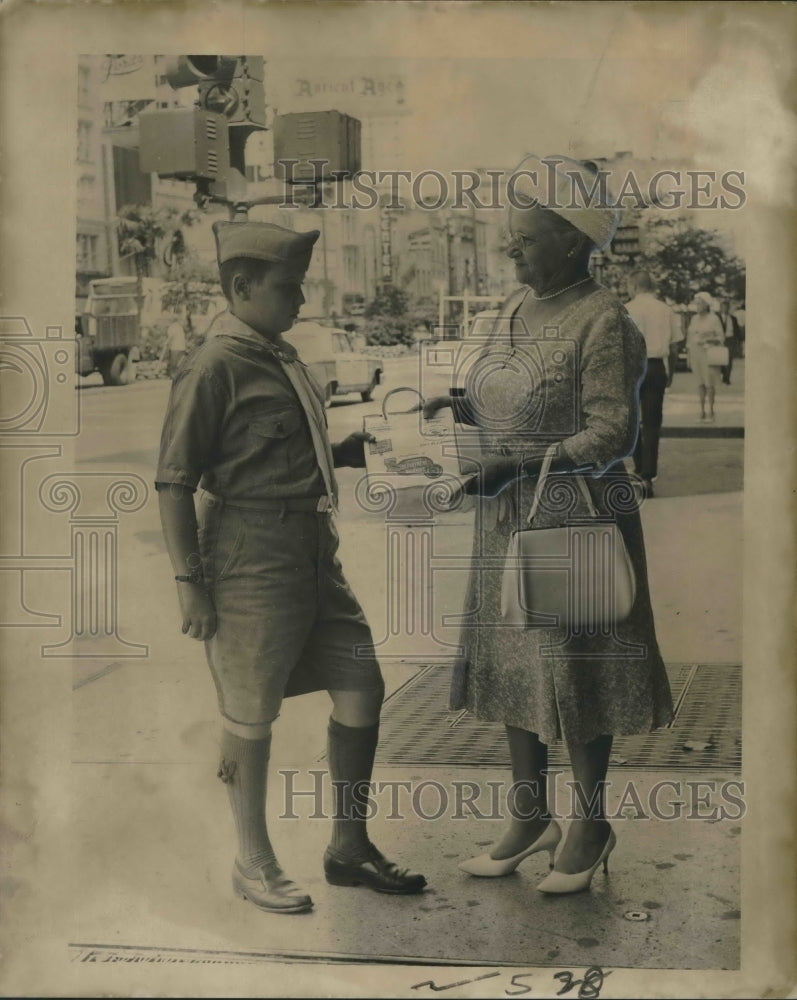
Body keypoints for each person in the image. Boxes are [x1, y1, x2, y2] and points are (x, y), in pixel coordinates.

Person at [155, 220, 426, 916]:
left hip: (312, 552)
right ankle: (253, 860)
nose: (301, 299)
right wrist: (190, 583)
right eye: (288, 287)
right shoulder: (216, 363)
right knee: (251, 714)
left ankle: (348, 846)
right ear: (242, 288)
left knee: (361, 683)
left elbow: (275, 449)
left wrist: (349, 451)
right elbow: (174, 481)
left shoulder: (278, 355)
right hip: (249, 557)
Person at [423, 156, 673, 895]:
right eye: (511, 238)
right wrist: (457, 408)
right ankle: (529, 814)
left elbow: (611, 433)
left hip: (574, 516)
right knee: (513, 666)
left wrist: (526, 465)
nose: (511, 250)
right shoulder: (508, 311)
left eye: (525, 239)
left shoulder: (605, 322)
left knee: (575, 672)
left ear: (570, 240)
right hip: (505, 516)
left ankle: (589, 821)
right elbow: (502, 396)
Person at [624, 269, 683, 497]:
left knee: (632, 421)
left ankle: (639, 467)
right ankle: (649, 474)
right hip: (657, 366)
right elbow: (676, 346)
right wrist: (672, 372)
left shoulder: (628, 309)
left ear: (635, 286)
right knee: (652, 423)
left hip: (634, 368)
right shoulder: (666, 310)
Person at [687, 291, 726, 421]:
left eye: (700, 303)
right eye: (696, 303)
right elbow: (690, 338)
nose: (697, 306)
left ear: (706, 304)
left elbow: (721, 337)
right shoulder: (694, 319)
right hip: (696, 353)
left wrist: (708, 339)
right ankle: (702, 411)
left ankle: (711, 411)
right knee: (700, 384)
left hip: (709, 353)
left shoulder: (713, 318)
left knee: (710, 383)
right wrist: (688, 355)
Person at [716, 297, 741, 385]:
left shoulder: (733, 318)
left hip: (730, 339)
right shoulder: (716, 317)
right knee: (721, 358)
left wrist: (737, 341)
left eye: (726, 307)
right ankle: (723, 373)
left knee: (729, 359)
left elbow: (737, 330)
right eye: (723, 306)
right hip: (720, 339)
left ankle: (727, 378)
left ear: (728, 308)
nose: (725, 308)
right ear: (720, 307)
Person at [159, 312, 187, 378]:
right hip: (181, 347)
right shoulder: (179, 327)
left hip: (175, 347)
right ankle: (175, 375)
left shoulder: (172, 327)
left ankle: (173, 375)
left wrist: (167, 343)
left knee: (174, 363)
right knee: (178, 362)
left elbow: (170, 337)